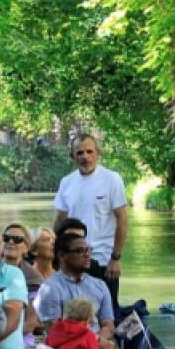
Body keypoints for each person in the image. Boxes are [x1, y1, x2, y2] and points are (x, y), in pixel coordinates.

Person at [51, 129, 128, 309]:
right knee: (74, 311)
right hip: (73, 260)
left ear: (98, 153)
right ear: (72, 156)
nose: (85, 157)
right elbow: (59, 222)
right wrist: (56, 255)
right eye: (80, 153)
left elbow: (122, 221)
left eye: (89, 151)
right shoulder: (67, 182)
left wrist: (115, 258)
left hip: (103, 260)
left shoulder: (112, 180)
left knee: (106, 312)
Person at [35, 231, 119, 349]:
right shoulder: (50, 288)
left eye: (88, 250)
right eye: (80, 251)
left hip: (100, 346)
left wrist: (100, 342)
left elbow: (108, 324)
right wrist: (95, 341)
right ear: (62, 256)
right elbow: (55, 330)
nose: (87, 254)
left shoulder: (100, 285)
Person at [2, 222, 42, 291]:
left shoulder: (33, 278)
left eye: (17, 239)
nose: (11, 241)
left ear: (26, 247)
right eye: (6, 238)